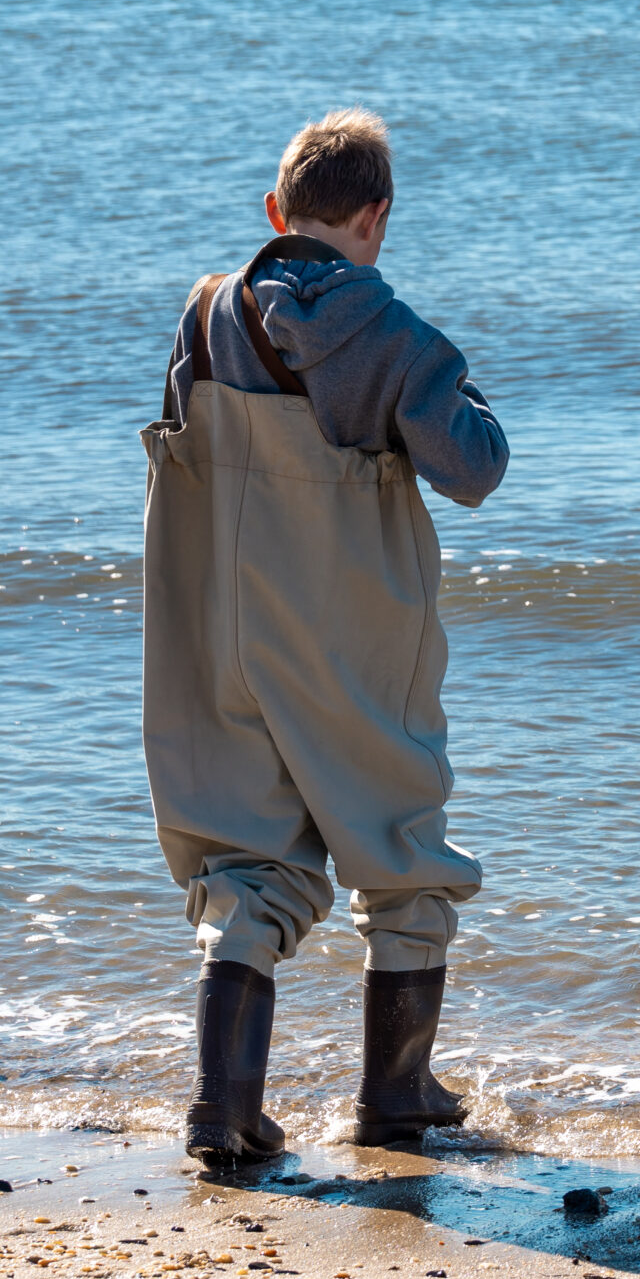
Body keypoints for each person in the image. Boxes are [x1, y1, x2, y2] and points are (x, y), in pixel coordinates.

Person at [141, 108, 509, 1165]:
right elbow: (474, 465)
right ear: (376, 219)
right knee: (401, 850)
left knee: (244, 858)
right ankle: (396, 1099)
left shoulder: (206, 312)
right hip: (344, 617)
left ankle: (227, 1110)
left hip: (215, 616)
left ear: (276, 212)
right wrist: (444, 389)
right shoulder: (385, 332)